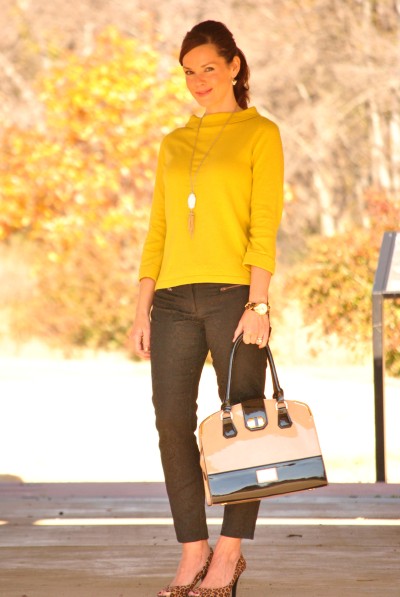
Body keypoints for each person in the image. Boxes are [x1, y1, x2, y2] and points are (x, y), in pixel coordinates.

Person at [130, 20, 284, 597]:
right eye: (189, 72)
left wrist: (259, 301)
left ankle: (229, 554)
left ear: (234, 67)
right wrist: (141, 308)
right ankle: (193, 549)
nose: (198, 81)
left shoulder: (261, 133)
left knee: (244, 426)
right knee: (171, 423)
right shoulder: (173, 142)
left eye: (209, 69)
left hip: (232, 298)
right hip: (172, 301)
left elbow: (264, 224)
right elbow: (158, 229)